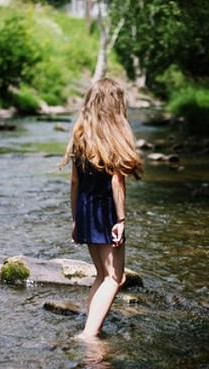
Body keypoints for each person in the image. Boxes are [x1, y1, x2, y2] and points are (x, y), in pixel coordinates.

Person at [60, 78, 143, 339]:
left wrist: (76, 219)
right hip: (105, 210)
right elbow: (117, 182)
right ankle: (88, 334)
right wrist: (121, 219)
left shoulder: (80, 135)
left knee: (101, 274)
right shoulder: (114, 138)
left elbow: (75, 181)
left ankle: (90, 326)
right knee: (114, 278)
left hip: (85, 208)